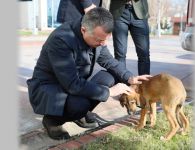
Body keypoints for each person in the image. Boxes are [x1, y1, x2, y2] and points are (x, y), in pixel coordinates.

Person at [27, 8, 151, 140]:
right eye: (99, 40)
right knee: (79, 105)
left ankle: (78, 115)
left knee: (111, 77)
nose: (103, 44)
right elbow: (72, 84)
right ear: (83, 30)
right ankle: (52, 121)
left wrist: (130, 77)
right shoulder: (62, 40)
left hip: (72, 84)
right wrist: (108, 92)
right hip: (51, 89)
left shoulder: (97, 35)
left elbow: (109, 60)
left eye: (105, 39)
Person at [109, 0, 150, 75]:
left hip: (140, 13)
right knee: (120, 54)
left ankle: (144, 85)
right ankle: (121, 82)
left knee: (144, 54)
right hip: (118, 12)